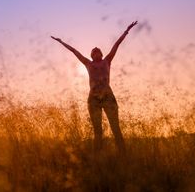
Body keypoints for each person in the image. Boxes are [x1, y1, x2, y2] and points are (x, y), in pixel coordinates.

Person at [51, 21, 138, 153]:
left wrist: (127, 30)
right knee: (98, 132)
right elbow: (74, 51)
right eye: (94, 51)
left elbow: (117, 44)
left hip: (108, 97)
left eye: (98, 51)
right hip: (93, 99)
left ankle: (123, 155)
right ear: (92, 55)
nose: (96, 52)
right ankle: (98, 158)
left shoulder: (107, 61)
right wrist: (61, 41)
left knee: (116, 128)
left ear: (101, 54)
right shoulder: (87, 63)